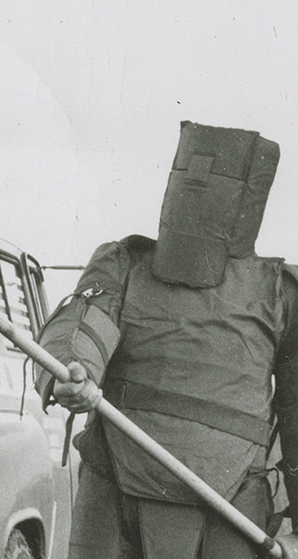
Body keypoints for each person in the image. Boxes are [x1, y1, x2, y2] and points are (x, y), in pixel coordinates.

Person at [37, 121, 298, 558]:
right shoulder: (123, 262)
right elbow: (81, 324)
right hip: (114, 486)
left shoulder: (281, 292)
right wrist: (71, 371)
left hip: (231, 504)